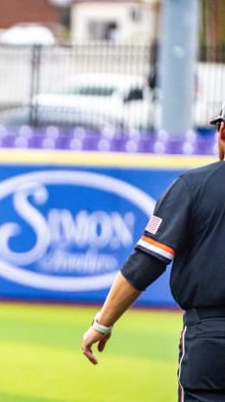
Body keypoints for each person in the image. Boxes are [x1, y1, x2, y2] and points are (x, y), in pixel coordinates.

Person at [81, 101, 225, 401]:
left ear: (222, 131)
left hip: (212, 338)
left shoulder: (192, 186)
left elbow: (146, 262)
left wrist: (103, 323)